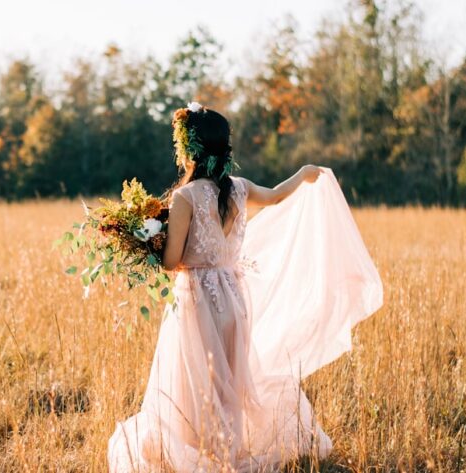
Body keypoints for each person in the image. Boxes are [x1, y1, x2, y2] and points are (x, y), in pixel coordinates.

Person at [108, 102, 383, 472]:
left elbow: (173, 262)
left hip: (197, 299)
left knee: (196, 378)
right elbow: (276, 195)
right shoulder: (239, 189)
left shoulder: (184, 198)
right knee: (231, 379)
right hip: (233, 296)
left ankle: (200, 451)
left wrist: (148, 240)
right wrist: (302, 174)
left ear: (189, 150)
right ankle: (226, 449)